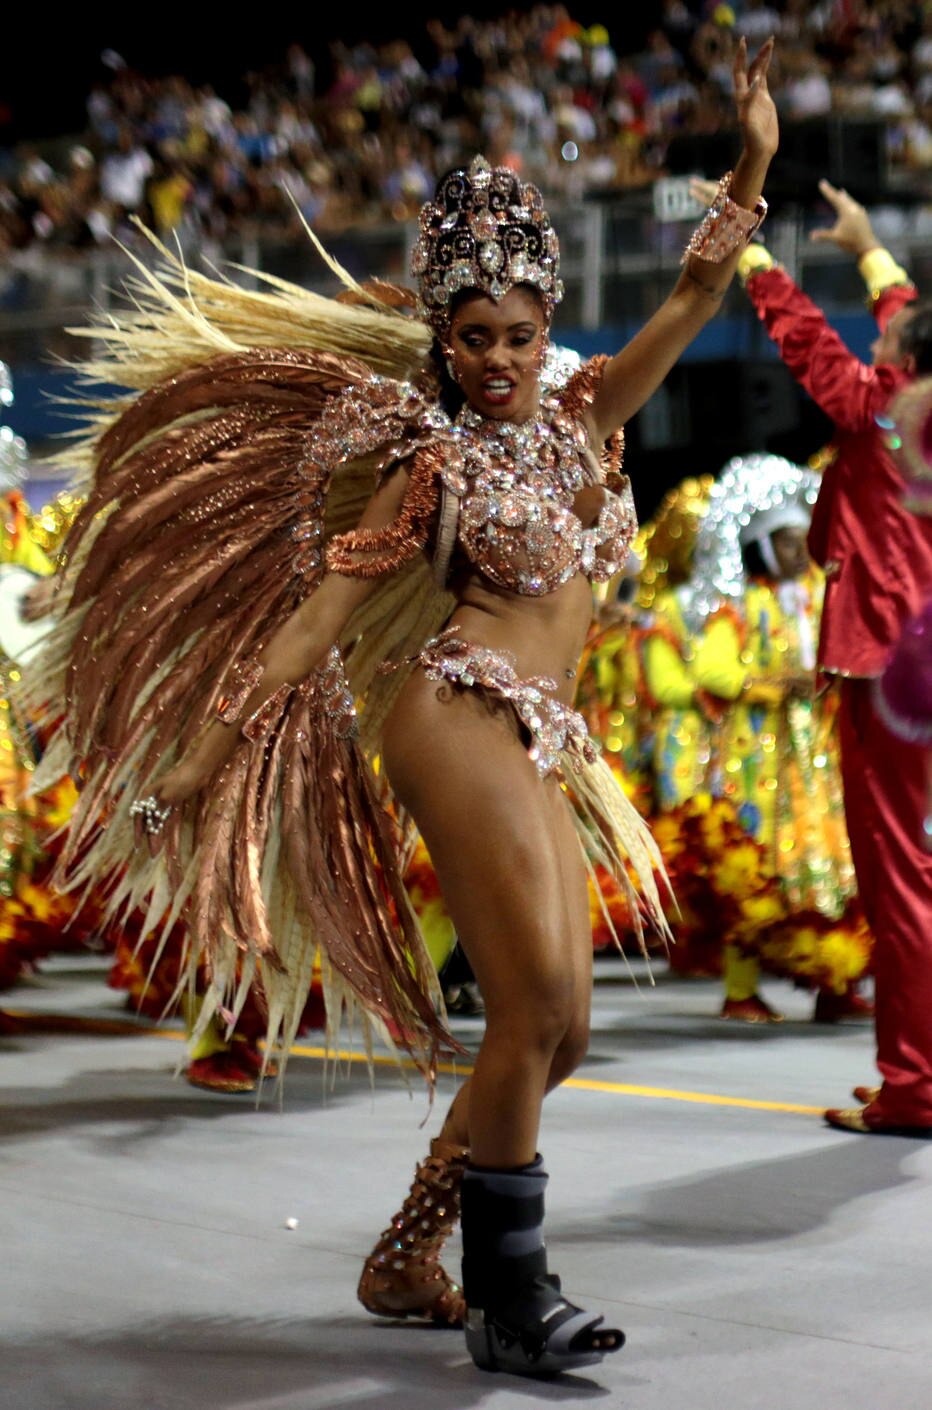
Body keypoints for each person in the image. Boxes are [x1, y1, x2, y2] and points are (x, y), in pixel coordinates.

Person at [26, 40, 777, 1377]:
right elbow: (313, 621)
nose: (497, 359)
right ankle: (511, 1293)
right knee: (535, 992)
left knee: (566, 1029)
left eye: (519, 335)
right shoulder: (428, 469)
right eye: (474, 338)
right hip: (454, 710)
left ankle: (407, 1252)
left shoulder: (591, 413)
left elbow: (695, 283)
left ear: (551, 333)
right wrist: (198, 765)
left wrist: (757, 157)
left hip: (539, 733)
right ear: (444, 340)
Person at [735, 181, 932, 1137]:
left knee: (901, 882)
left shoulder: (884, 407)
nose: (879, 340)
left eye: (889, 338)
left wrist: (749, 254)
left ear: (904, 363)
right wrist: (868, 250)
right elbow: (904, 316)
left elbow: (810, 346)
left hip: (889, 671)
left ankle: (916, 1086)